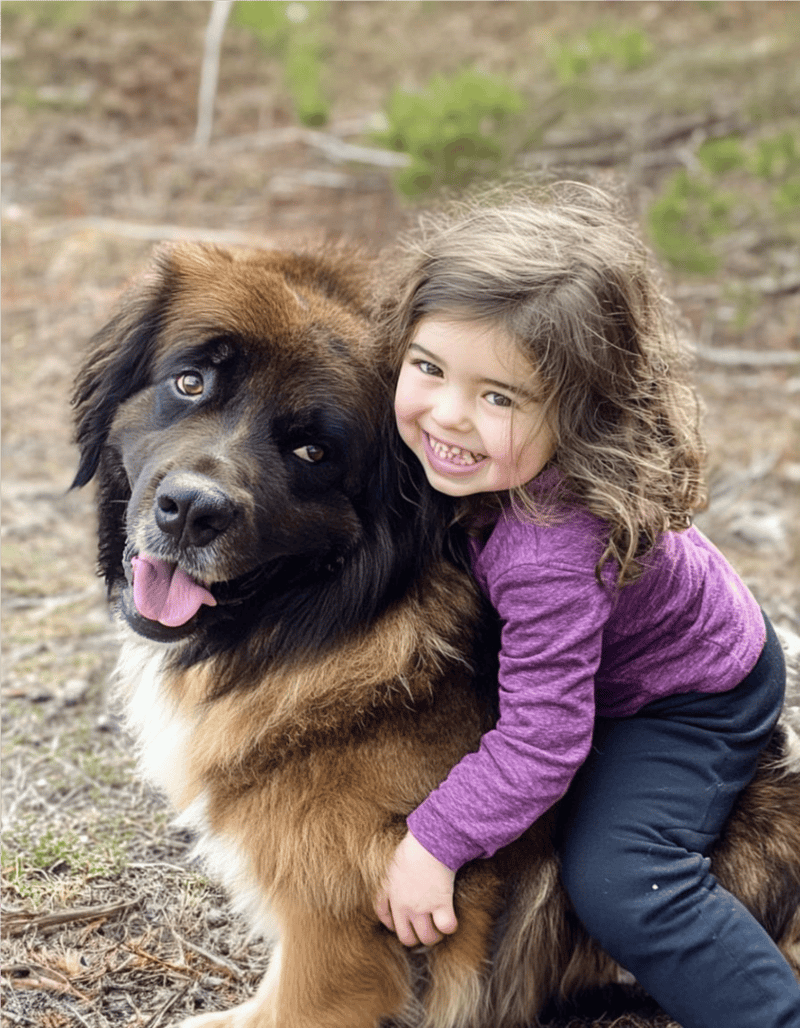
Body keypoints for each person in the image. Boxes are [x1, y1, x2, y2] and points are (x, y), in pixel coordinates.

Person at [373, 181, 800, 1028]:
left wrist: (434, 841)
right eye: (428, 368)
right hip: (618, 653)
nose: (448, 414)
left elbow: (545, 735)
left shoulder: (548, 551)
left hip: (691, 696)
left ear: (580, 413)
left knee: (622, 879)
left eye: (499, 396)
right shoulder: (461, 457)